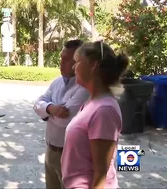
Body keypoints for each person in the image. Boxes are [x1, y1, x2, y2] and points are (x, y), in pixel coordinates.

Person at [61, 41, 128, 189]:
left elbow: (100, 174)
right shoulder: (93, 102)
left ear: (93, 65)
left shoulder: (104, 110)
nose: (73, 67)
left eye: (78, 62)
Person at [33, 39, 89, 189]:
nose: (61, 63)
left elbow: (65, 120)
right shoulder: (56, 82)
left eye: (66, 60)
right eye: (61, 59)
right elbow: (37, 104)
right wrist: (51, 108)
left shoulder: (83, 88)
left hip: (69, 155)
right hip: (51, 151)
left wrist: (45, 109)